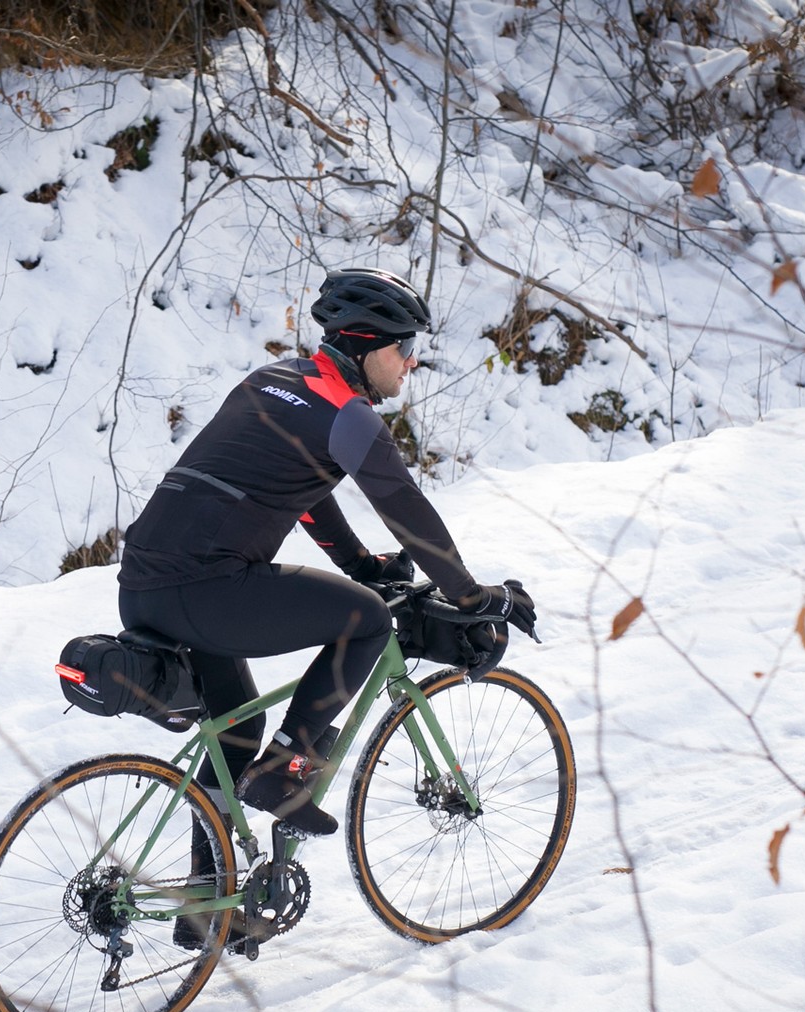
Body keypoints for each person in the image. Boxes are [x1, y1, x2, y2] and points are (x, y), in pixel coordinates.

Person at [116, 267, 537, 840]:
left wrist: (362, 565)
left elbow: (304, 494)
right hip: (206, 587)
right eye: (404, 347)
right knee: (367, 617)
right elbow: (407, 513)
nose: (411, 362)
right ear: (368, 346)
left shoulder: (271, 380)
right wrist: (474, 595)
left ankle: (207, 914)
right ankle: (283, 766)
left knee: (236, 730)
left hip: (141, 587)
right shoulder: (346, 414)